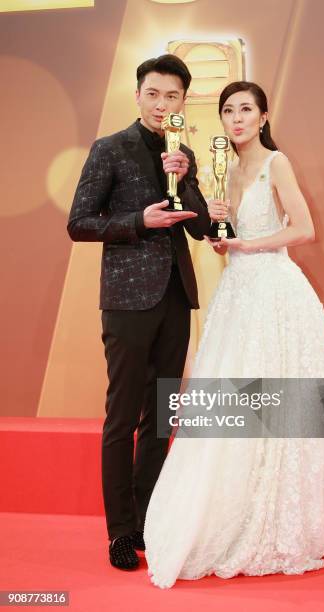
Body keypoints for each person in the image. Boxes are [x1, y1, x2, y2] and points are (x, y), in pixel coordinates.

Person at [144, 81, 324, 588]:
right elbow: (222, 241)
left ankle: (283, 517)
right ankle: (235, 511)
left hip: (277, 295)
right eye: (228, 111)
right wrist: (222, 238)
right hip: (237, 293)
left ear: (263, 117)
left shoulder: (274, 163)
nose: (236, 118)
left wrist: (249, 243)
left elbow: (304, 229)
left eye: (245, 110)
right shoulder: (223, 169)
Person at [67, 54, 211, 571]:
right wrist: (137, 220)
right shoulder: (110, 148)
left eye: (172, 96)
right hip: (127, 299)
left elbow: (196, 228)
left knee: (161, 416)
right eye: (153, 93)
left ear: (182, 102)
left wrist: (187, 177)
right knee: (122, 417)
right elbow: (79, 222)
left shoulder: (183, 152)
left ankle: (150, 517)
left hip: (175, 297)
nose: (161, 103)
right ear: (138, 95)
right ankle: (120, 532)